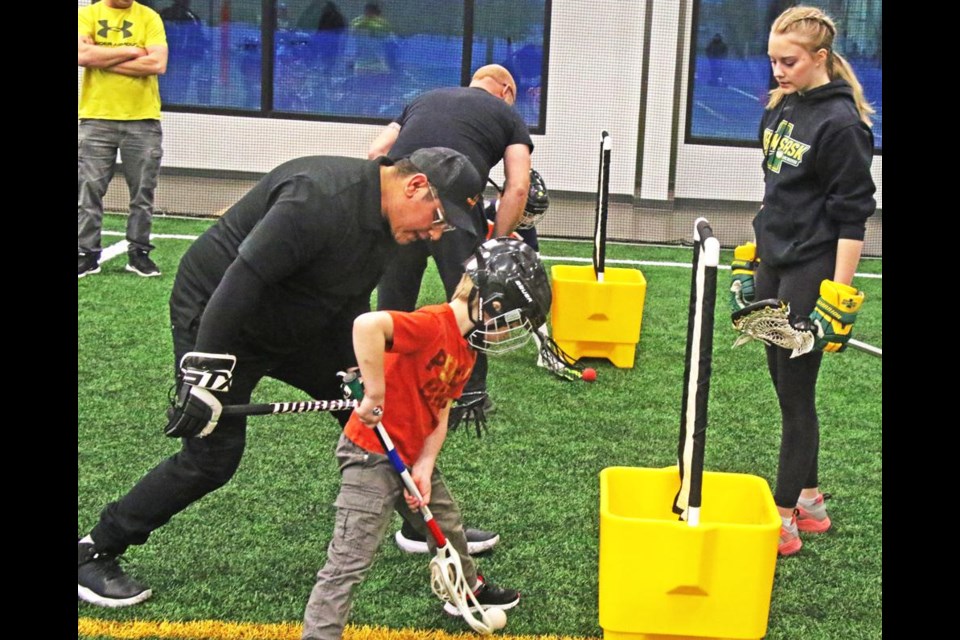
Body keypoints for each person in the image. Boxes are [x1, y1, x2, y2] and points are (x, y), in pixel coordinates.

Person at [78, 147, 484, 607]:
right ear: (414, 186)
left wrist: (357, 372)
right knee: (211, 458)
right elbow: (242, 280)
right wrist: (204, 371)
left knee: (384, 414)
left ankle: (424, 525)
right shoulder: (317, 196)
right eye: (437, 218)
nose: (435, 232)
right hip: (222, 316)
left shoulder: (390, 226)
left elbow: (348, 294)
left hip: (296, 319)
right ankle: (95, 550)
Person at [301, 238, 551, 639]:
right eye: (512, 321)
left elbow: (442, 408)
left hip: (411, 456)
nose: (507, 332)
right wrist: (375, 393)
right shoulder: (433, 324)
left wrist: (425, 464)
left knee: (448, 526)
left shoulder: (467, 351)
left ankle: (466, 592)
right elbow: (367, 325)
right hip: (370, 455)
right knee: (349, 561)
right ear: (493, 306)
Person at [367, 63, 533, 555]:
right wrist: (495, 247)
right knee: (467, 304)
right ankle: (468, 388)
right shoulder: (506, 115)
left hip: (401, 197)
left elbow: (377, 153)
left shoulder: (424, 95)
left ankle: (384, 378)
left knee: (392, 307)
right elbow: (518, 188)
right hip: (453, 205)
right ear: (505, 91)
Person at [731, 5, 876, 557]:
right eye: (772, 59)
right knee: (782, 383)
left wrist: (836, 297)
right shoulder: (782, 106)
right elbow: (777, 190)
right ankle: (812, 501)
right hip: (776, 258)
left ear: (820, 58)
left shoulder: (842, 125)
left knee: (795, 394)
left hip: (815, 265)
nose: (777, 70)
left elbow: (852, 216)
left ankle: (786, 516)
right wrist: (755, 251)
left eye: (788, 61)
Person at [78, 0, 168, 279]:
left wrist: (103, 58)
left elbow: (157, 63)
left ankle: (138, 253)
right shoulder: (87, 15)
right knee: (88, 189)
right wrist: (132, 50)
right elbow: (82, 55)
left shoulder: (149, 17)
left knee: (142, 192)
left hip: (143, 120)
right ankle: (87, 253)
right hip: (96, 118)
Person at [159, 0, 211, 103]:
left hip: (184, 63)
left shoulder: (192, 18)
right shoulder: (163, 15)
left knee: (179, 92)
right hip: (165, 61)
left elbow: (199, 41)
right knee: (162, 89)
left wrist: (197, 55)